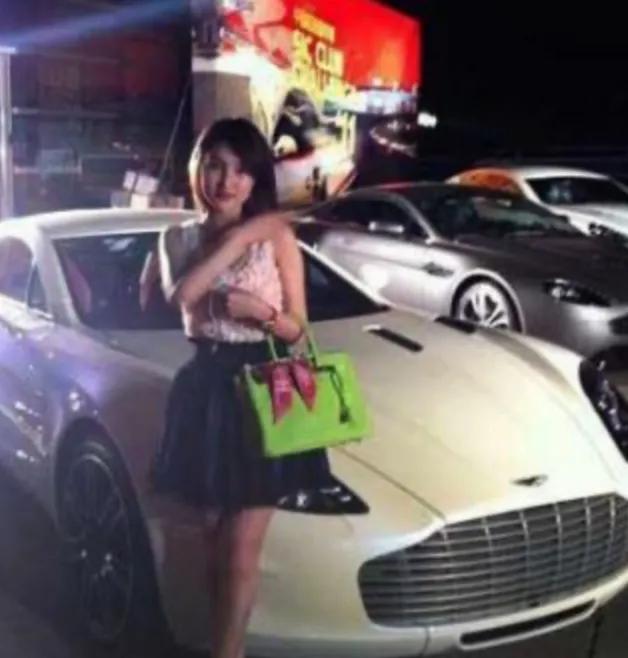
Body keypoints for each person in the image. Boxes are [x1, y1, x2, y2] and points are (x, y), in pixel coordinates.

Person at [151, 117, 331, 658]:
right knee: (210, 541)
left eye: (241, 170)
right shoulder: (177, 237)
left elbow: (299, 331)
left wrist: (262, 312)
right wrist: (241, 236)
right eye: (215, 166)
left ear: (256, 179)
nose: (227, 181)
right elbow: (184, 297)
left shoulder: (278, 238)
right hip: (206, 390)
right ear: (198, 169)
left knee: (241, 551)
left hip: (262, 386)